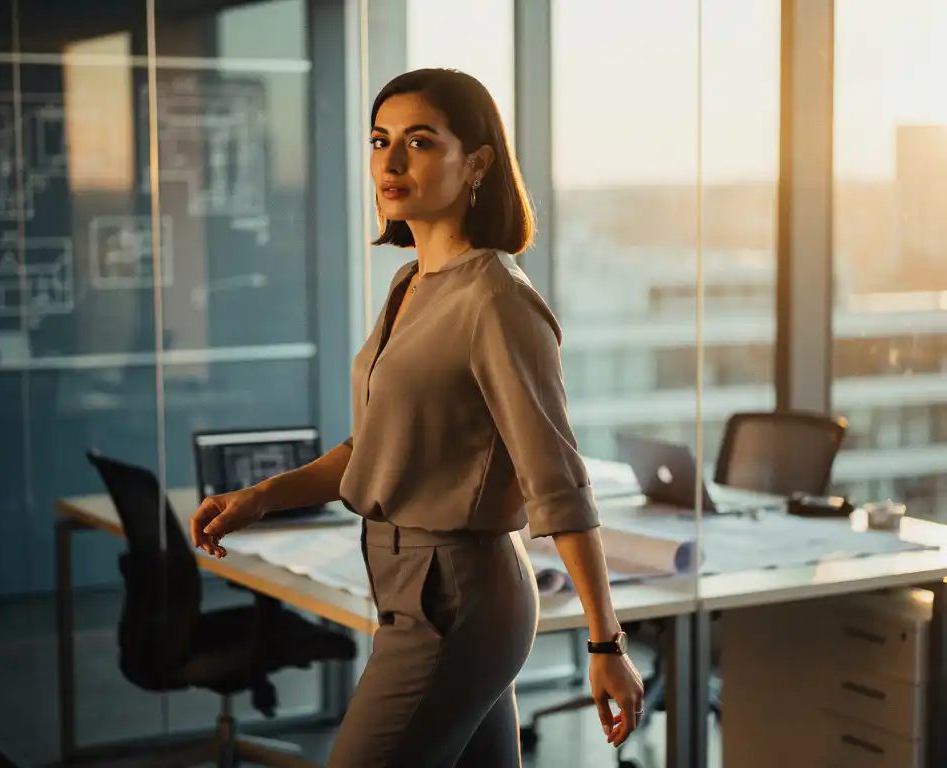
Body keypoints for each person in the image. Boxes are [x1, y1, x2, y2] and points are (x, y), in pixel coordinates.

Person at [190, 67, 645, 767]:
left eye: (420, 142)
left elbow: (557, 481)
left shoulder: (496, 299)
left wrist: (605, 641)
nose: (391, 163)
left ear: (477, 164)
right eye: (381, 141)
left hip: (456, 595)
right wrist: (262, 497)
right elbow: (375, 447)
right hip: (413, 586)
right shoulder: (411, 284)